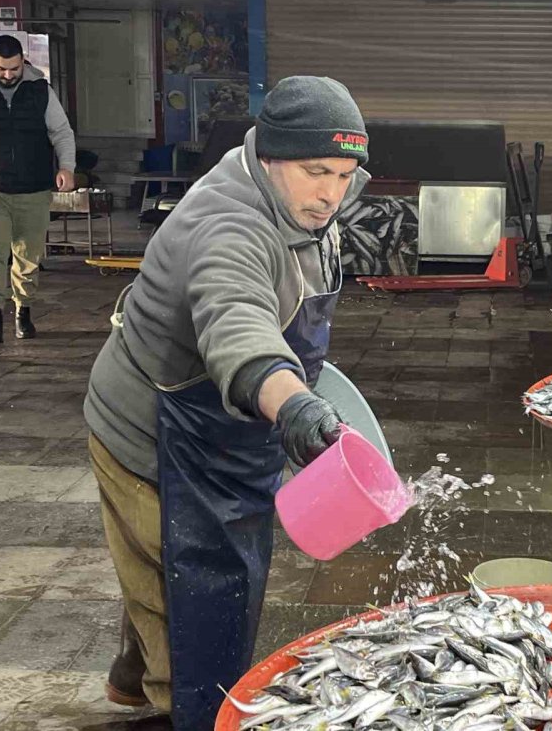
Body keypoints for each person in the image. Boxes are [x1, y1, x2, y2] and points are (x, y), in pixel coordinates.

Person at [84, 76, 370, 729]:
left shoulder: (300, 198)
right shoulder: (227, 226)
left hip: (231, 425)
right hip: (151, 431)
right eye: (316, 171)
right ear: (270, 157)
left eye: (347, 173)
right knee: (190, 604)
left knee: (167, 569)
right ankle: (170, 701)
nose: (331, 193)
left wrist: (304, 393)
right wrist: (291, 404)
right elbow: (238, 324)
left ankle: (130, 677)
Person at [0, 34, 75, 343]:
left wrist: (67, 167)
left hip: (34, 187)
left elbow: (61, 131)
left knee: (28, 254)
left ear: (22, 63)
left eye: (14, 69)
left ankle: (23, 311)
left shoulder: (40, 90)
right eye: (2, 69)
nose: (8, 75)